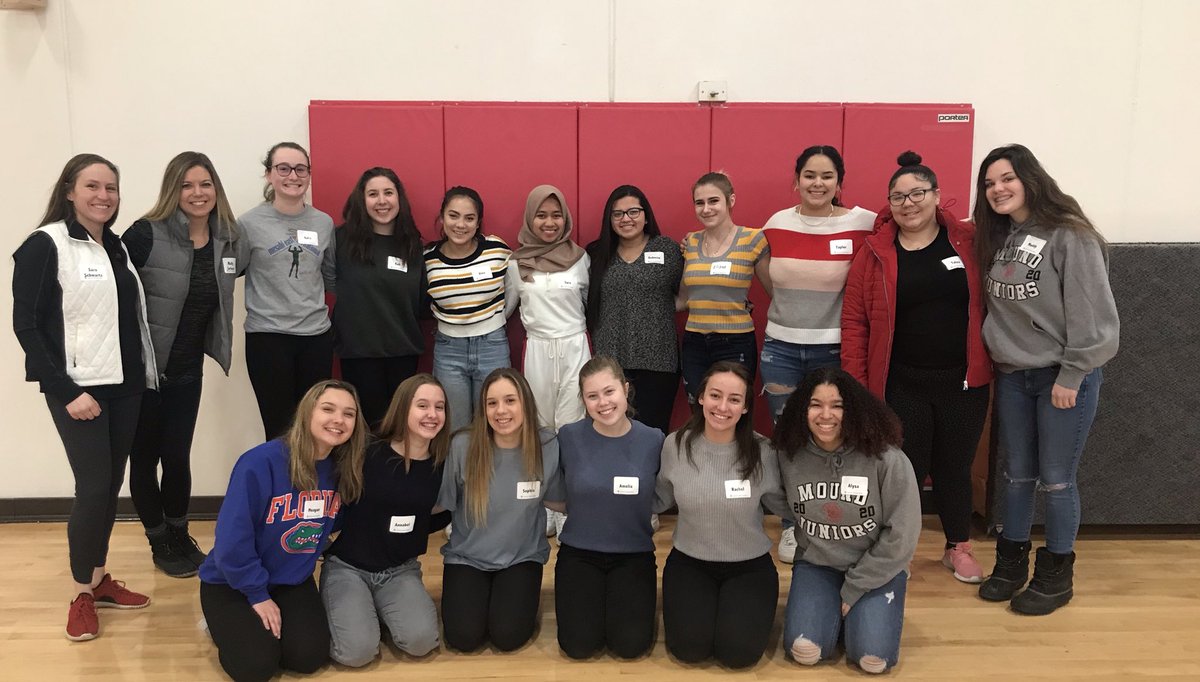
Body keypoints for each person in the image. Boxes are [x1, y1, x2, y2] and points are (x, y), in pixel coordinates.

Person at [13, 154, 157, 642]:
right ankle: (80, 592)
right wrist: (68, 390)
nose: (104, 196)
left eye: (112, 187)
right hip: (80, 389)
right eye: (92, 186)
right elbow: (27, 327)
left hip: (126, 386)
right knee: (94, 488)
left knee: (109, 486)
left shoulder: (114, 246)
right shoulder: (44, 245)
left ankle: (98, 580)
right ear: (70, 190)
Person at [973, 144, 1119, 615]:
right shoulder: (1002, 237)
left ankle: (1056, 575)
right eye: (990, 183)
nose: (998, 189)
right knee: (1017, 477)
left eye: (1007, 178)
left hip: (1062, 376)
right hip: (1016, 376)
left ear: (1031, 178)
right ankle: (1011, 564)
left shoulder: (1070, 235)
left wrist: (1073, 373)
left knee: (1056, 481)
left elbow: (1092, 314)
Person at [841, 151, 992, 583]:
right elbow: (854, 320)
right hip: (902, 381)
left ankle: (957, 547)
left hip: (963, 381)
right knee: (905, 468)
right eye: (898, 197)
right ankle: (898, 550)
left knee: (954, 467)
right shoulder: (874, 252)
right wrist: (856, 384)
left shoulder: (968, 242)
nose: (908, 203)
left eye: (917, 193)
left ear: (937, 196)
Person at [120, 151, 244, 579]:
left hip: (188, 370)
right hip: (143, 373)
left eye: (205, 184)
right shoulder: (144, 235)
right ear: (174, 189)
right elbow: (114, 296)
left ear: (216, 190)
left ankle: (179, 533)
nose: (197, 193)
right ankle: (158, 540)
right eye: (187, 185)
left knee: (177, 458)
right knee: (144, 459)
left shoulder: (227, 238)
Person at [198, 379, 366, 682]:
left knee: (308, 658)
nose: (338, 420)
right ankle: (220, 622)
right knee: (256, 667)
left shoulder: (344, 467)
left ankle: (254, 629)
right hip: (232, 582)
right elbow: (231, 540)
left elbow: (336, 523)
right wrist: (257, 593)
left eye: (349, 414)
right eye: (328, 409)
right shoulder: (260, 462)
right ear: (307, 412)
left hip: (291, 580)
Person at [760, 145, 877, 564]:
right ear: (797, 180)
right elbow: (766, 273)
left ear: (839, 182)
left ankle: (832, 522)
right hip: (781, 349)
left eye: (826, 176)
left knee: (831, 436)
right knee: (789, 438)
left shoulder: (863, 223)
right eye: (809, 175)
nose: (817, 183)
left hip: (834, 350)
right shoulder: (777, 223)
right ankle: (793, 526)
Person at [772, 367, 921, 675]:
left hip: (875, 568)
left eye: (837, 405)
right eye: (816, 404)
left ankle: (853, 615)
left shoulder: (887, 459)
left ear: (853, 409)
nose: (826, 415)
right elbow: (773, 497)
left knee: (872, 660)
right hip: (817, 564)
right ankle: (833, 614)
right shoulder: (788, 454)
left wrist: (855, 587)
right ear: (803, 409)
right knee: (805, 651)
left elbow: (902, 535)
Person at [653, 361, 787, 668]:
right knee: (689, 650)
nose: (722, 407)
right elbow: (658, 498)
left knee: (738, 656)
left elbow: (786, 504)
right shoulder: (675, 445)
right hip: (689, 563)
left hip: (748, 567)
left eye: (734, 399)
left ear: (745, 408)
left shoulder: (763, 452)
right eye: (715, 395)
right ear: (700, 397)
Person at [321, 374, 451, 665]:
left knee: (421, 643)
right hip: (348, 568)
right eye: (422, 405)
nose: (432, 414)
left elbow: (434, 516)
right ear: (403, 408)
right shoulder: (367, 452)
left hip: (399, 570)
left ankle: (374, 611)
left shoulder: (442, 463)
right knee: (357, 654)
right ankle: (353, 613)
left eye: (439, 407)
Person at [436, 368, 563, 652]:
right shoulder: (463, 445)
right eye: (492, 403)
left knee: (508, 636)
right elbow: (442, 504)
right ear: (483, 409)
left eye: (510, 400)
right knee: (464, 638)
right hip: (467, 557)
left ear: (525, 404)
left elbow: (559, 500)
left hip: (521, 558)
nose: (501, 411)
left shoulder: (547, 445)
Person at [551, 356, 663, 660]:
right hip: (579, 553)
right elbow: (553, 491)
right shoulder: (568, 437)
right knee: (577, 646)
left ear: (625, 389)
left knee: (630, 646)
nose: (603, 402)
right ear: (584, 400)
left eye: (609, 391)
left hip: (633, 554)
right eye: (592, 395)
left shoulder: (653, 440)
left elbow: (662, 496)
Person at [240, 141, 336, 439]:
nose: (292, 176)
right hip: (268, 338)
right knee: (279, 428)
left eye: (300, 169)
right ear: (269, 174)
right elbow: (236, 269)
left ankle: (312, 486)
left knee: (316, 427)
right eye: (283, 168)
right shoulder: (248, 223)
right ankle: (282, 486)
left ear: (309, 174)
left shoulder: (323, 222)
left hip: (315, 337)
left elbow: (329, 276)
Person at [585, 186, 683, 435]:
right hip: (611, 361)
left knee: (653, 432)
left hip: (658, 360)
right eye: (618, 214)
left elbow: (686, 294)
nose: (626, 219)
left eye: (633, 211)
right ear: (609, 219)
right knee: (609, 431)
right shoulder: (596, 253)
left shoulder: (667, 250)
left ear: (646, 215)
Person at [332, 167, 426, 428]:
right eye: (373, 194)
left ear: (399, 198)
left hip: (403, 353)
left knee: (400, 431)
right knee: (367, 433)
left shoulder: (413, 244)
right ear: (362, 201)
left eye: (388, 193)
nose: (382, 201)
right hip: (359, 354)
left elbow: (421, 302)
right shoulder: (341, 240)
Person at [424, 186, 513, 434]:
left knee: (496, 422)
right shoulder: (428, 258)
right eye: (453, 216)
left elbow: (514, 290)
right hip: (448, 349)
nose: (460, 224)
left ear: (478, 223)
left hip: (492, 346)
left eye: (469, 218)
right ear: (442, 218)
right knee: (456, 427)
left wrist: (492, 321)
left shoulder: (496, 249)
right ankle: (461, 474)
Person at [679, 172, 771, 401]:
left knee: (731, 412)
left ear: (731, 201)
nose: (706, 209)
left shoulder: (753, 239)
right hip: (694, 343)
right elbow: (683, 299)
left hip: (735, 342)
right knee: (698, 409)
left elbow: (775, 292)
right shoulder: (691, 242)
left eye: (713, 201)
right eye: (699, 203)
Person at [506, 184, 591, 431]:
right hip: (537, 349)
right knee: (538, 422)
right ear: (529, 218)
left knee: (573, 421)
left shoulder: (580, 259)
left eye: (556, 215)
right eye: (541, 215)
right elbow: (505, 309)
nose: (550, 222)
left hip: (575, 346)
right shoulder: (515, 263)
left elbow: (588, 302)